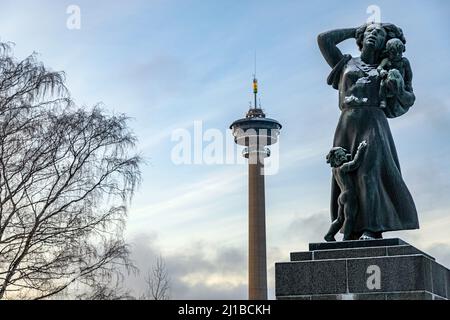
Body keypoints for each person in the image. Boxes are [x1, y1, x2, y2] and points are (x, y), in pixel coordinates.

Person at [317, 23, 419, 240]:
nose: (374, 35)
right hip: (346, 123)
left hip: (373, 122)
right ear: (361, 38)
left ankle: (371, 228)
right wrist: (355, 29)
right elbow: (323, 39)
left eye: (379, 34)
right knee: (346, 177)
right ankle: (351, 228)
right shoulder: (345, 63)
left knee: (368, 174)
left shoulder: (390, 67)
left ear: (385, 43)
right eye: (369, 32)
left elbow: (409, 98)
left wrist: (397, 87)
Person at [325, 141, 367, 242]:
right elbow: (355, 163)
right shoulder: (344, 167)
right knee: (349, 218)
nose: (345, 156)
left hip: (342, 196)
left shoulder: (335, 170)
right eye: (342, 155)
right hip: (349, 195)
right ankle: (346, 238)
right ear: (338, 158)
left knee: (340, 219)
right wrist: (360, 150)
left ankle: (329, 235)